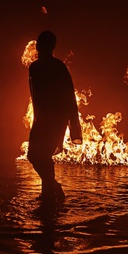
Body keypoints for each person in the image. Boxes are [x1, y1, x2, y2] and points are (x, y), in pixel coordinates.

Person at [27, 30, 82, 207]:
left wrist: (71, 125)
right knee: (34, 156)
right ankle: (52, 188)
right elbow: (35, 97)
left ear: (49, 46)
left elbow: (68, 96)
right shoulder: (34, 68)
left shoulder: (59, 67)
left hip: (56, 119)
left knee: (43, 156)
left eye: (42, 44)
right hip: (42, 119)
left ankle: (48, 195)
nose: (39, 47)